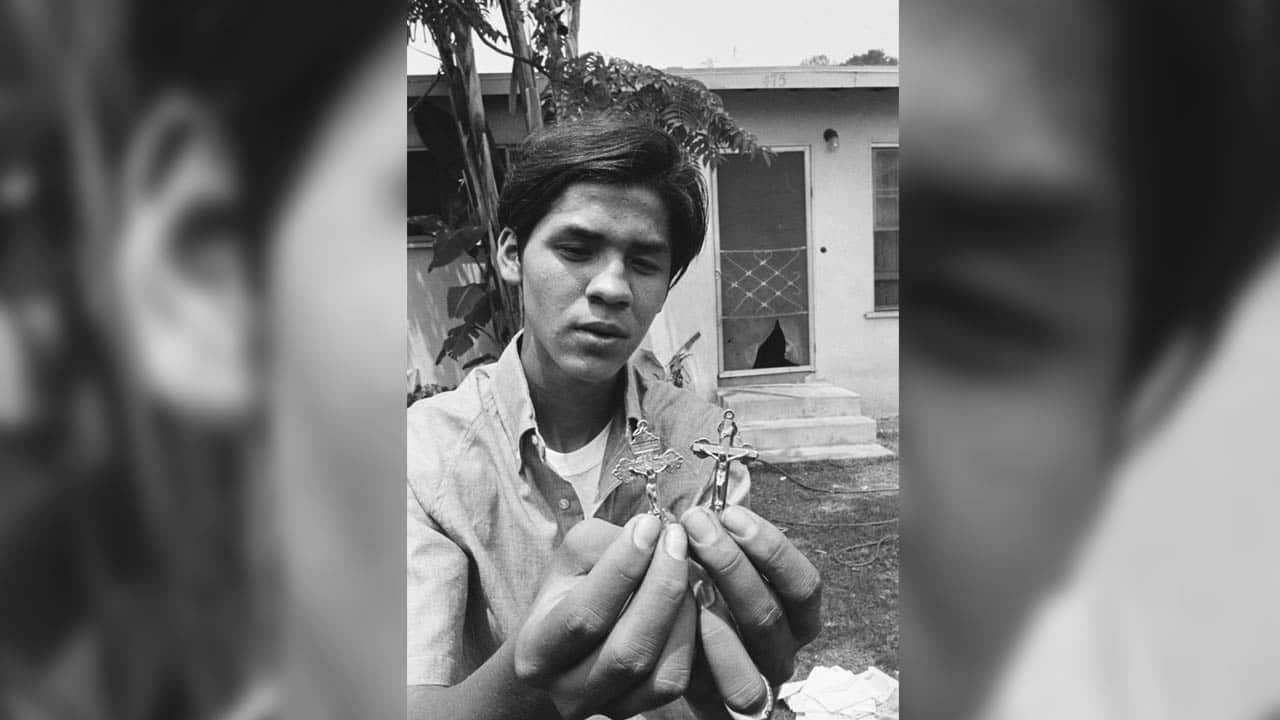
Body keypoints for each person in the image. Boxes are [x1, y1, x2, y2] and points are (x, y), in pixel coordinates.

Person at [407, 119, 823, 720]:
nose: (611, 287)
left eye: (645, 262)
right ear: (509, 254)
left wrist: (740, 690)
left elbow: (722, 675)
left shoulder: (700, 441)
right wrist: (531, 674)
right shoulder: (426, 455)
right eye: (576, 249)